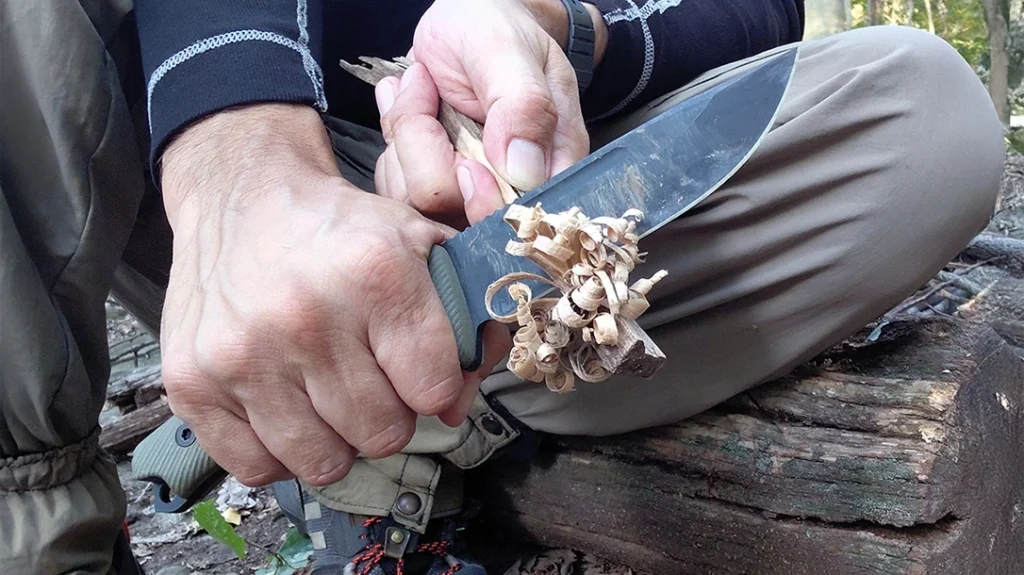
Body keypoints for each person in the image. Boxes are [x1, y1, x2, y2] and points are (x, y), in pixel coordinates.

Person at [0, 0, 1005, 573]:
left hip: (548, 216)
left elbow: (751, 7)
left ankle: (437, 395)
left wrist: (552, 27)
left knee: (922, 110)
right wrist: (240, 147)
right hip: (211, 169)